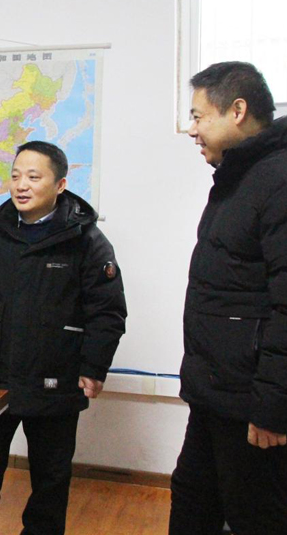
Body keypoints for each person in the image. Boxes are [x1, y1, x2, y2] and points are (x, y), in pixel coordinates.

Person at [0, 141, 127, 535]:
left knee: (50, 480)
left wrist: (94, 367)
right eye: (15, 176)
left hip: (56, 381)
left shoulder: (86, 241)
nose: (21, 185)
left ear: (60, 185)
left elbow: (107, 313)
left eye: (33, 176)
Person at [169, 61, 287, 534]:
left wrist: (273, 406)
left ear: (237, 111)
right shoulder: (238, 177)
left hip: (252, 406)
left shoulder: (277, 179)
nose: (191, 129)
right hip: (216, 394)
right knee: (192, 501)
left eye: (198, 116)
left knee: (254, 517)